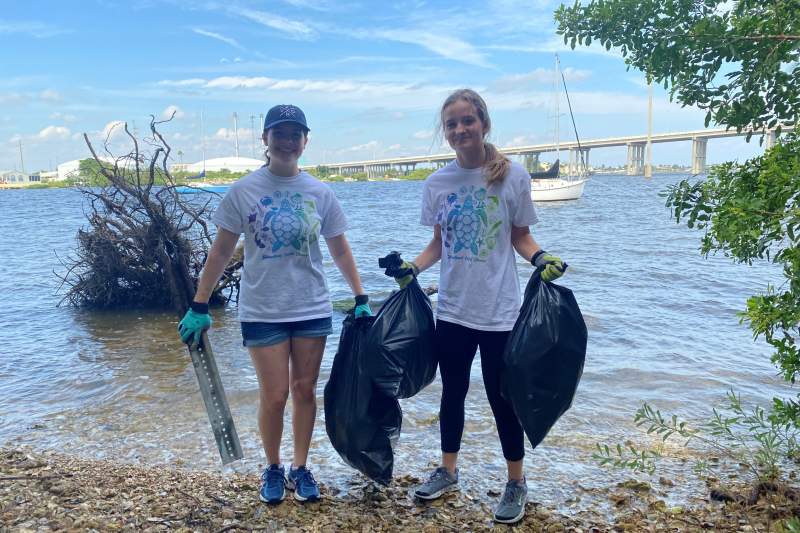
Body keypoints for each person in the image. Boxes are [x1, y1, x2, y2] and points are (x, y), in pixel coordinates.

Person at [177, 104, 372, 505]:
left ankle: (301, 468)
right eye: (278, 133)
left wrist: (360, 296)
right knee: (275, 394)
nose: (287, 141)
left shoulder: (320, 192)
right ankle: (272, 466)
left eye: (294, 134)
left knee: (304, 391)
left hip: (311, 307)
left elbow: (339, 250)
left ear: (305, 140)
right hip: (262, 309)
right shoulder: (244, 190)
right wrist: (200, 304)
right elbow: (220, 251)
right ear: (265, 139)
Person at [396, 89, 565, 524]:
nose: (459, 130)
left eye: (467, 120)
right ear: (446, 131)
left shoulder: (513, 177)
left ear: (483, 123)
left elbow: (520, 237)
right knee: (452, 393)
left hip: (500, 313)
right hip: (452, 311)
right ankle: (448, 471)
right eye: (451, 124)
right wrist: (411, 268)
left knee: (502, 397)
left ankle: (516, 481)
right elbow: (438, 245)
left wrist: (541, 258)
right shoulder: (437, 184)